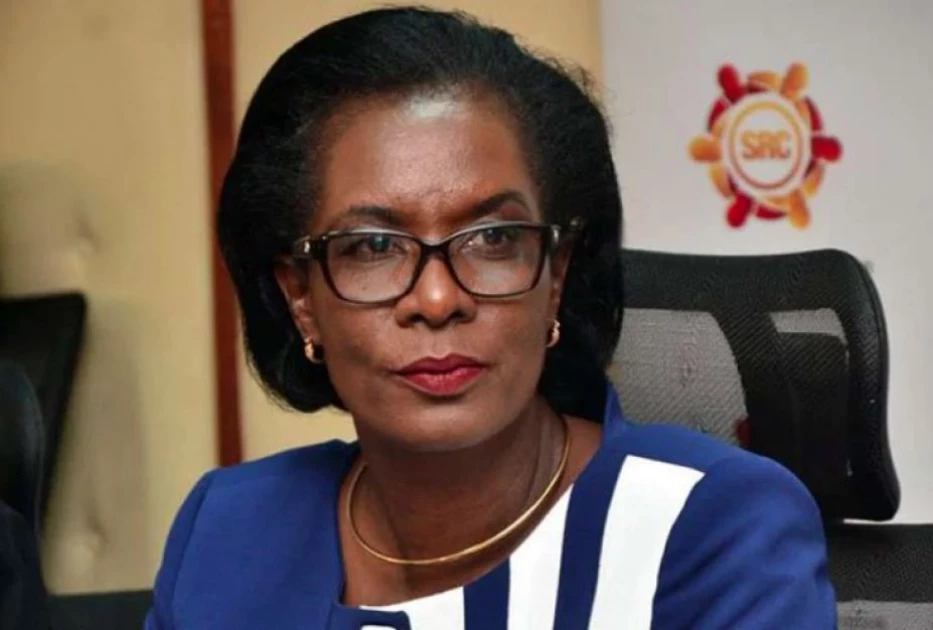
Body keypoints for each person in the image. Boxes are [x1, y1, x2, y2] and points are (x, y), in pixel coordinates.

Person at [145, 7, 836, 629]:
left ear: (556, 274)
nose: (437, 299)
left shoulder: (711, 528)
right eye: (374, 247)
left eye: (493, 239)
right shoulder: (230, 531)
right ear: (301, 297)